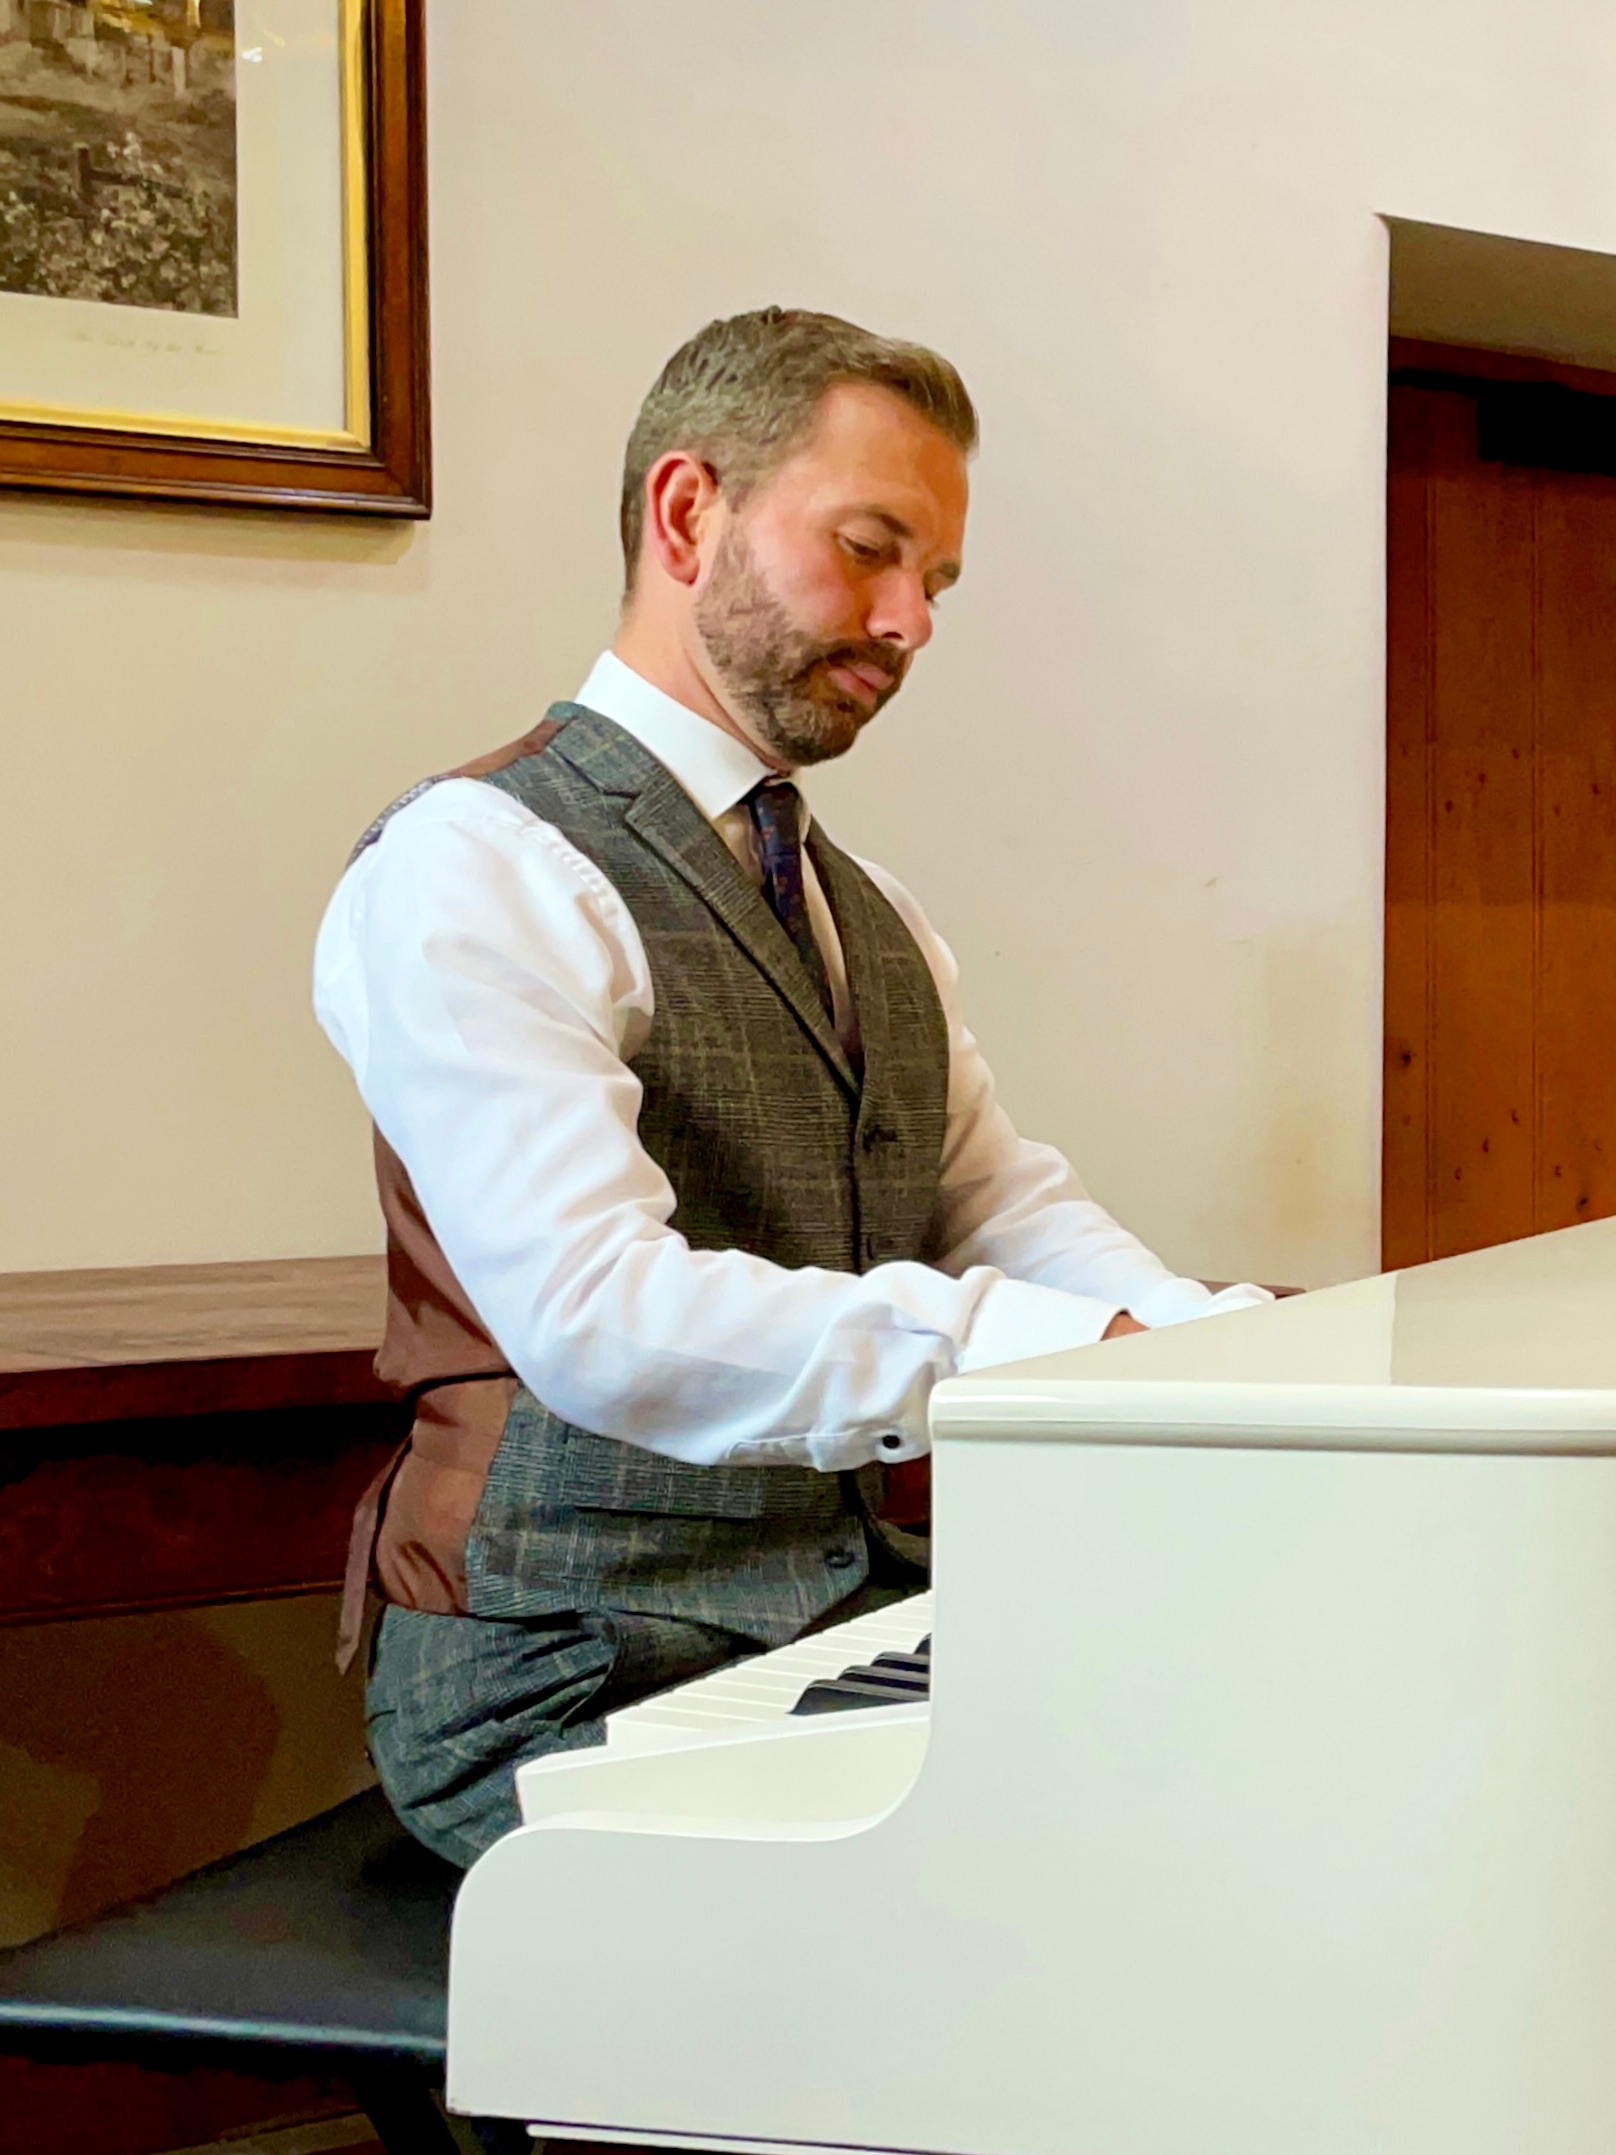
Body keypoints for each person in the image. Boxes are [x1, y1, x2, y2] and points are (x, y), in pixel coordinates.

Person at [313, 307, 1269, 1866]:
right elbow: (597, 1315)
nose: (910, 623)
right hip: (570, 1678)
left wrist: (1202, 1340)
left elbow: (994, 1204)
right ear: (689, 514)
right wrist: (1062, 1348)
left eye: (937, 582)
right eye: (870, 550)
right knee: (1084, 1874)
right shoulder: (475, 862)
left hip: (840, 1616)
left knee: (1230, 1778)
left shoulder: (869, 909)